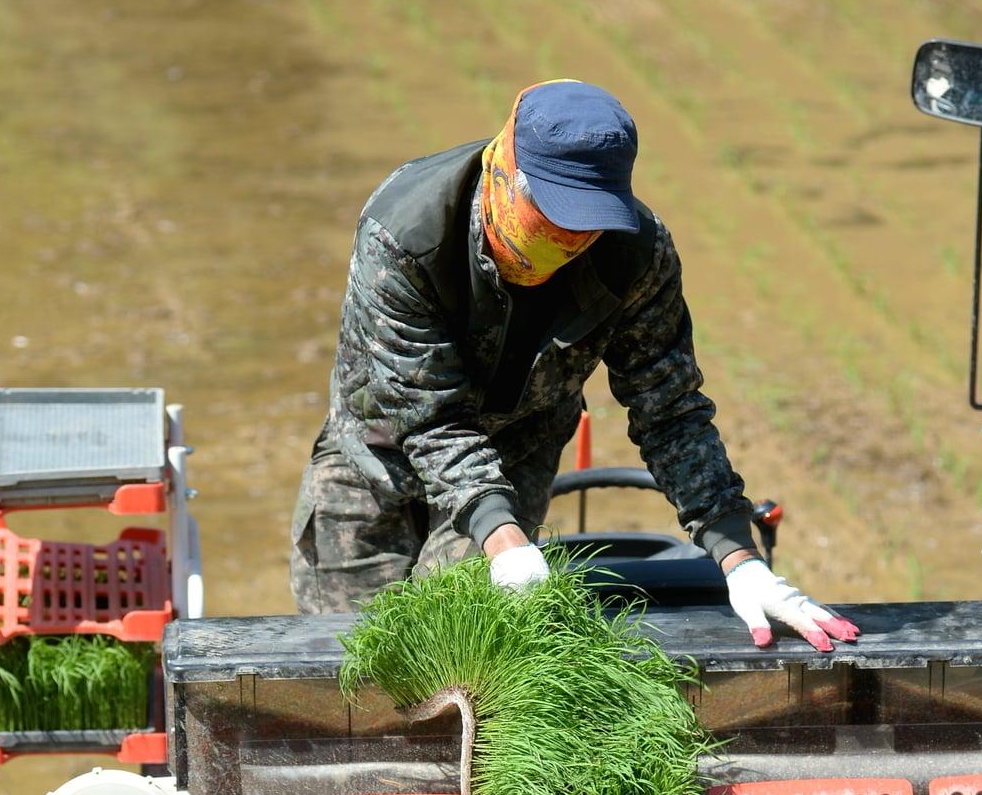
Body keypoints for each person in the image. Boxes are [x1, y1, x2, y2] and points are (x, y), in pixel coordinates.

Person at [289, 80, 859, 652]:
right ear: (507, 168)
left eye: (590, 218)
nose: (572, 236)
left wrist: (738, 556)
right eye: (555, 212)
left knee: (461, 648)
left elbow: (671, 411)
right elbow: (429, 418)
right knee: (354, 661)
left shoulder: (634, 257)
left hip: (517, 449)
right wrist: (506, 541)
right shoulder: (407, 234)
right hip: (377, 453)